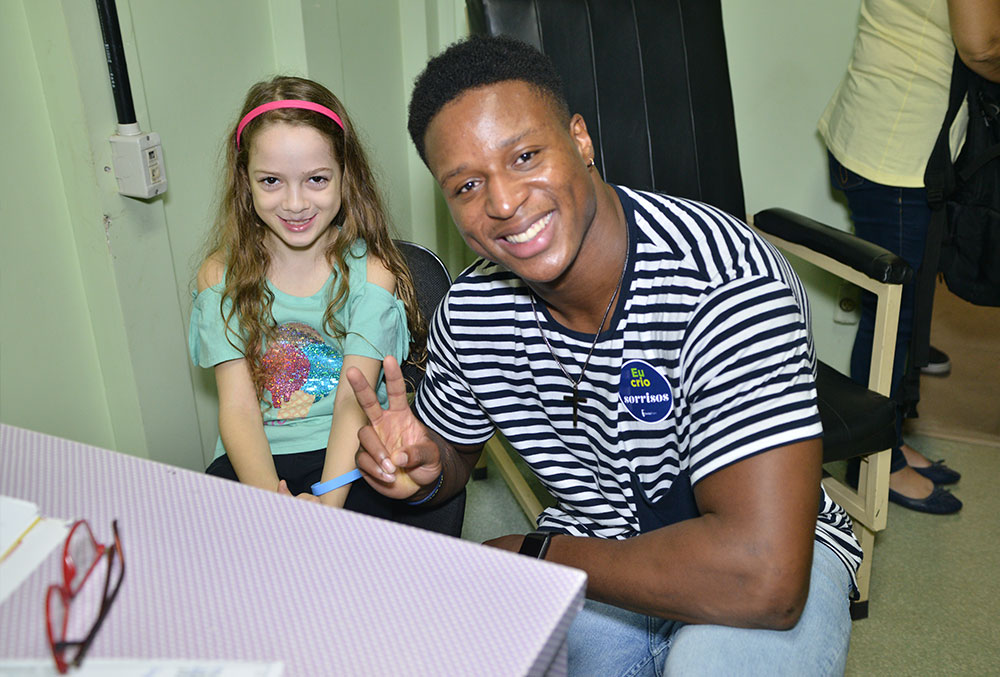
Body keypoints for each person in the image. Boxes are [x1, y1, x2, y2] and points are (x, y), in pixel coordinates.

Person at [345, 36, 860, 675]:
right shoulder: (472, 311)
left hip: (748, 556)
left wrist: (539, 554)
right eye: (468, 185)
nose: (503, 204)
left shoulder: (724, 280)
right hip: (598, 548)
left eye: (525, 155)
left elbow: (762, 576)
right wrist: (420, 467)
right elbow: (454, 460)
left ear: (581, 141)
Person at [189, 76, 426, 516]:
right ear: (246, 180)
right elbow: (239, 409)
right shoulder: (220, 275)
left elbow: (351, 400)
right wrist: (277, 505)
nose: (295, 203)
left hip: (350, 454)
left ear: (345, 176)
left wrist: (326, 502)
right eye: (272, 181)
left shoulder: (373, 273)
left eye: (316, 179)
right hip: (255, 458)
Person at [819, 0, 1000, 513]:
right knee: (892, 320)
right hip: (896, 155)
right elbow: (982, 44)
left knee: (903, 313)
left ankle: (889, 438)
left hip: (885, 129)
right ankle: (873, 460)